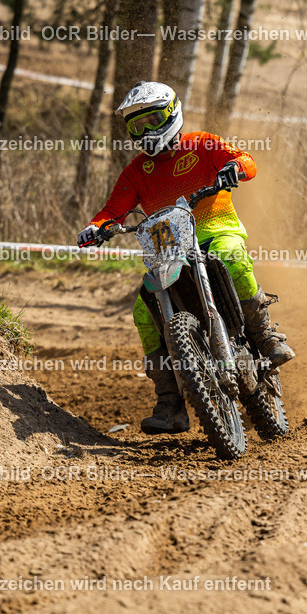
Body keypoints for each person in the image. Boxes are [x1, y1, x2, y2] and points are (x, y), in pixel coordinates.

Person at [78, 81, 294, 435]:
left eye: (152, 120)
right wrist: (95, 227)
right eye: (136, 125)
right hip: (168, 250)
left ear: (172, 113)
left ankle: (266, 336)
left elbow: (247, 160)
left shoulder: (203, 144)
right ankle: (170, 402)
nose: (146, 131)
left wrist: (233, 169)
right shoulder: (136, 172)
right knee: (141, 312)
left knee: (230, 256)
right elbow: (112, 211)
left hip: (215, 229)